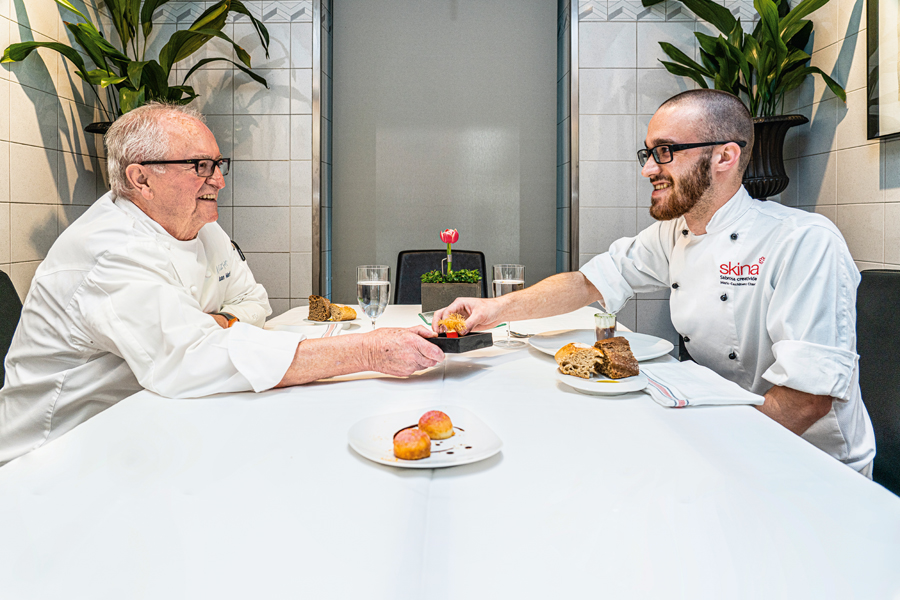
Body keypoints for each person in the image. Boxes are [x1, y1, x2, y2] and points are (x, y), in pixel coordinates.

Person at [434, 89, 875, 475]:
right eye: (648, 153)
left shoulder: (803, 242)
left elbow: (807, 399)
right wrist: (493, 310)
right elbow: (588, 283)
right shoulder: (674, 232)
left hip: (805, 461)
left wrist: (709, 457)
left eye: (665, 151)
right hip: (720, 425)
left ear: (725, 156)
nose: (648, 169)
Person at [0, 102, 443, 466]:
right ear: (140, 179)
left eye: (217, 164)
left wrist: (209, 324)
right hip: (56, 454)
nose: (220, 180)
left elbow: (254, 302)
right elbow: (189, 360)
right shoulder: (110, 250)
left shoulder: (200, 225)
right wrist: (367, 350)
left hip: (145, 424)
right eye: (200, 166)